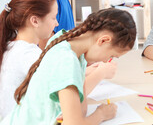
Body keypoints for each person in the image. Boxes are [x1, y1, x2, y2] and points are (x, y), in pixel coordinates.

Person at [0, 8, 137, 124]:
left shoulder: (69, 42)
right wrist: (100, 115)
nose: (108, 60)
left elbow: (80, 110)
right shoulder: (66, 61)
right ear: (103, 40)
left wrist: (75, 115)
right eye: (112, 56)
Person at [0, 0, 58, 119]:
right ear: (35, 20)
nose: (57, 23)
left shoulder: (10, 46)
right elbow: (62, 89)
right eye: (53, 17)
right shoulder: (29, 55)